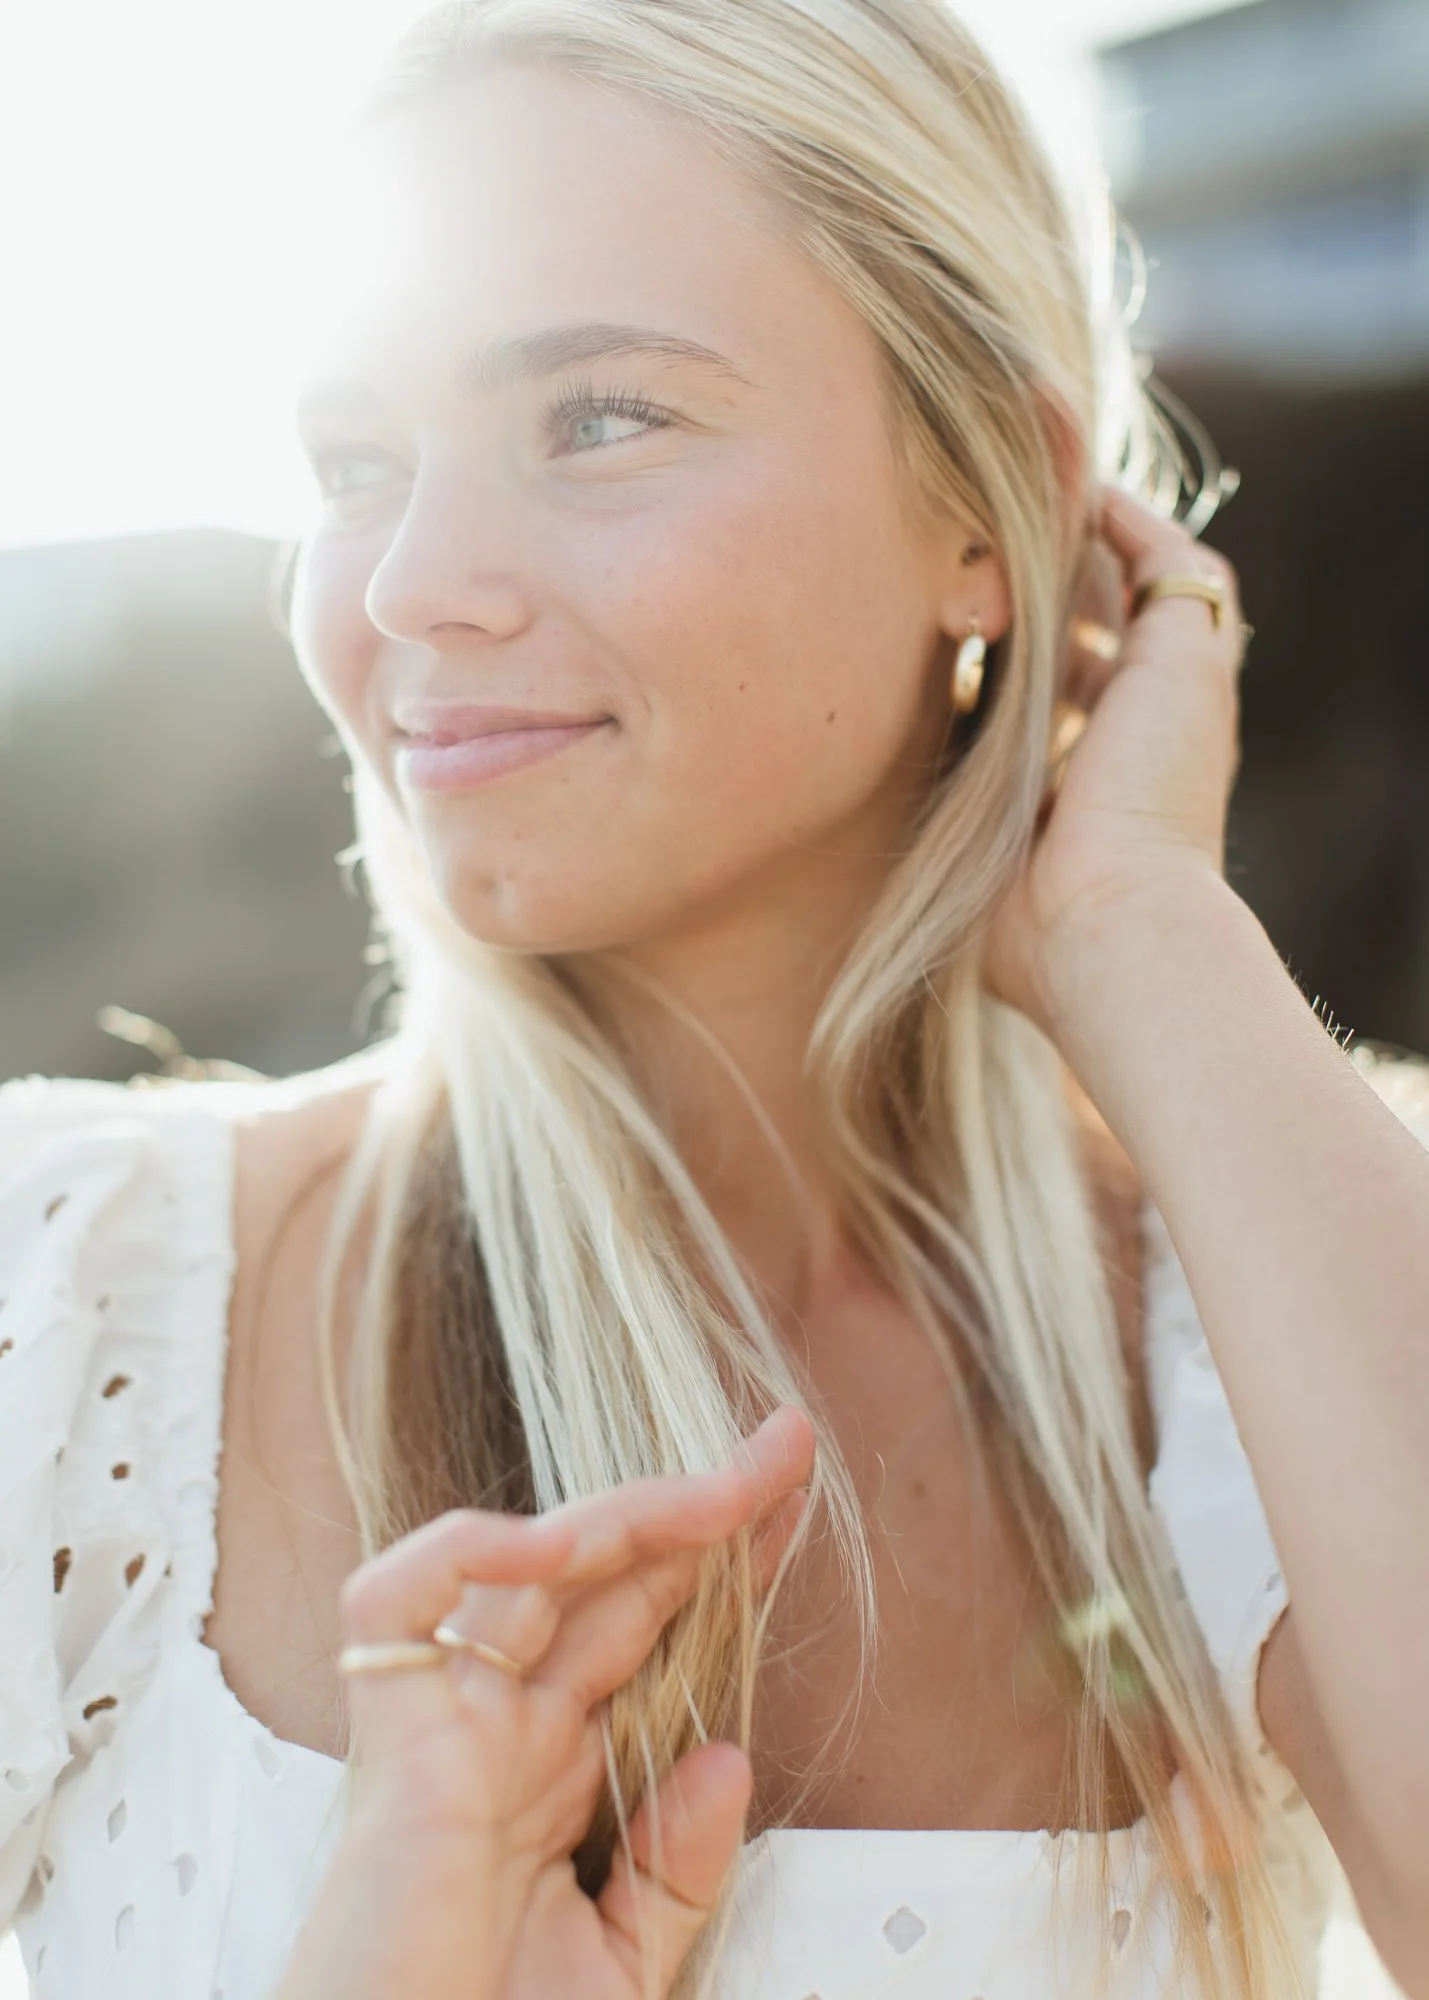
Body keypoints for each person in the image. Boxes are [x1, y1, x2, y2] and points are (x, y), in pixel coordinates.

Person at [3, 1, 1429, 1995]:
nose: (410, 581)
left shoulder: (1287, 1280)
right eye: (354, 459)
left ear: (987, 502)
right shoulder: (59, 1304)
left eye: (598, 417)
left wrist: (1142, 928)